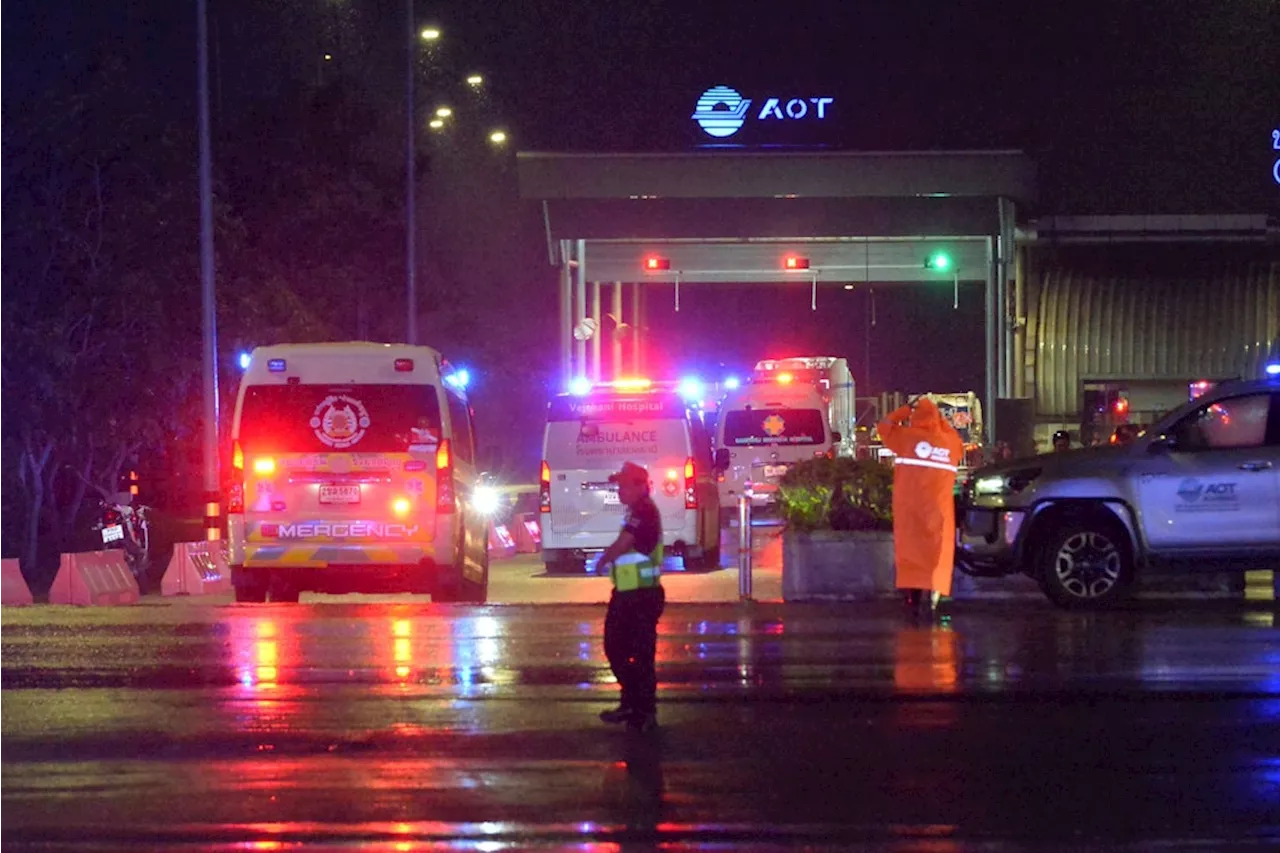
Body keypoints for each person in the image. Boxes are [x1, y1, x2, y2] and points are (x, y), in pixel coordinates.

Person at [877, 399, 964, 618]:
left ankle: (912, 597)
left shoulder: (906, 438)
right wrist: (940, 420)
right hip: (938, 511)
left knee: (911, 552)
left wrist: (905, 410)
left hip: (910, 509)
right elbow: (956, 440)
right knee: (936, 554)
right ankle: (934, 596)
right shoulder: (950, 443)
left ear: (915, 418)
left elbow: (884, 426)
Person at [597, 461, 666, 731]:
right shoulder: (637, 510)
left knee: (637, 654)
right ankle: (632, 704)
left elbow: (626, 542)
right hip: (628, 595)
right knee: (618, 649)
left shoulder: (644, 511)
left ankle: (643, 710)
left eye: (624, 485)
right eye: (618, 486)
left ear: (640, 486)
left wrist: (605, 558)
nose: (619, 491)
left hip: (641, 597)